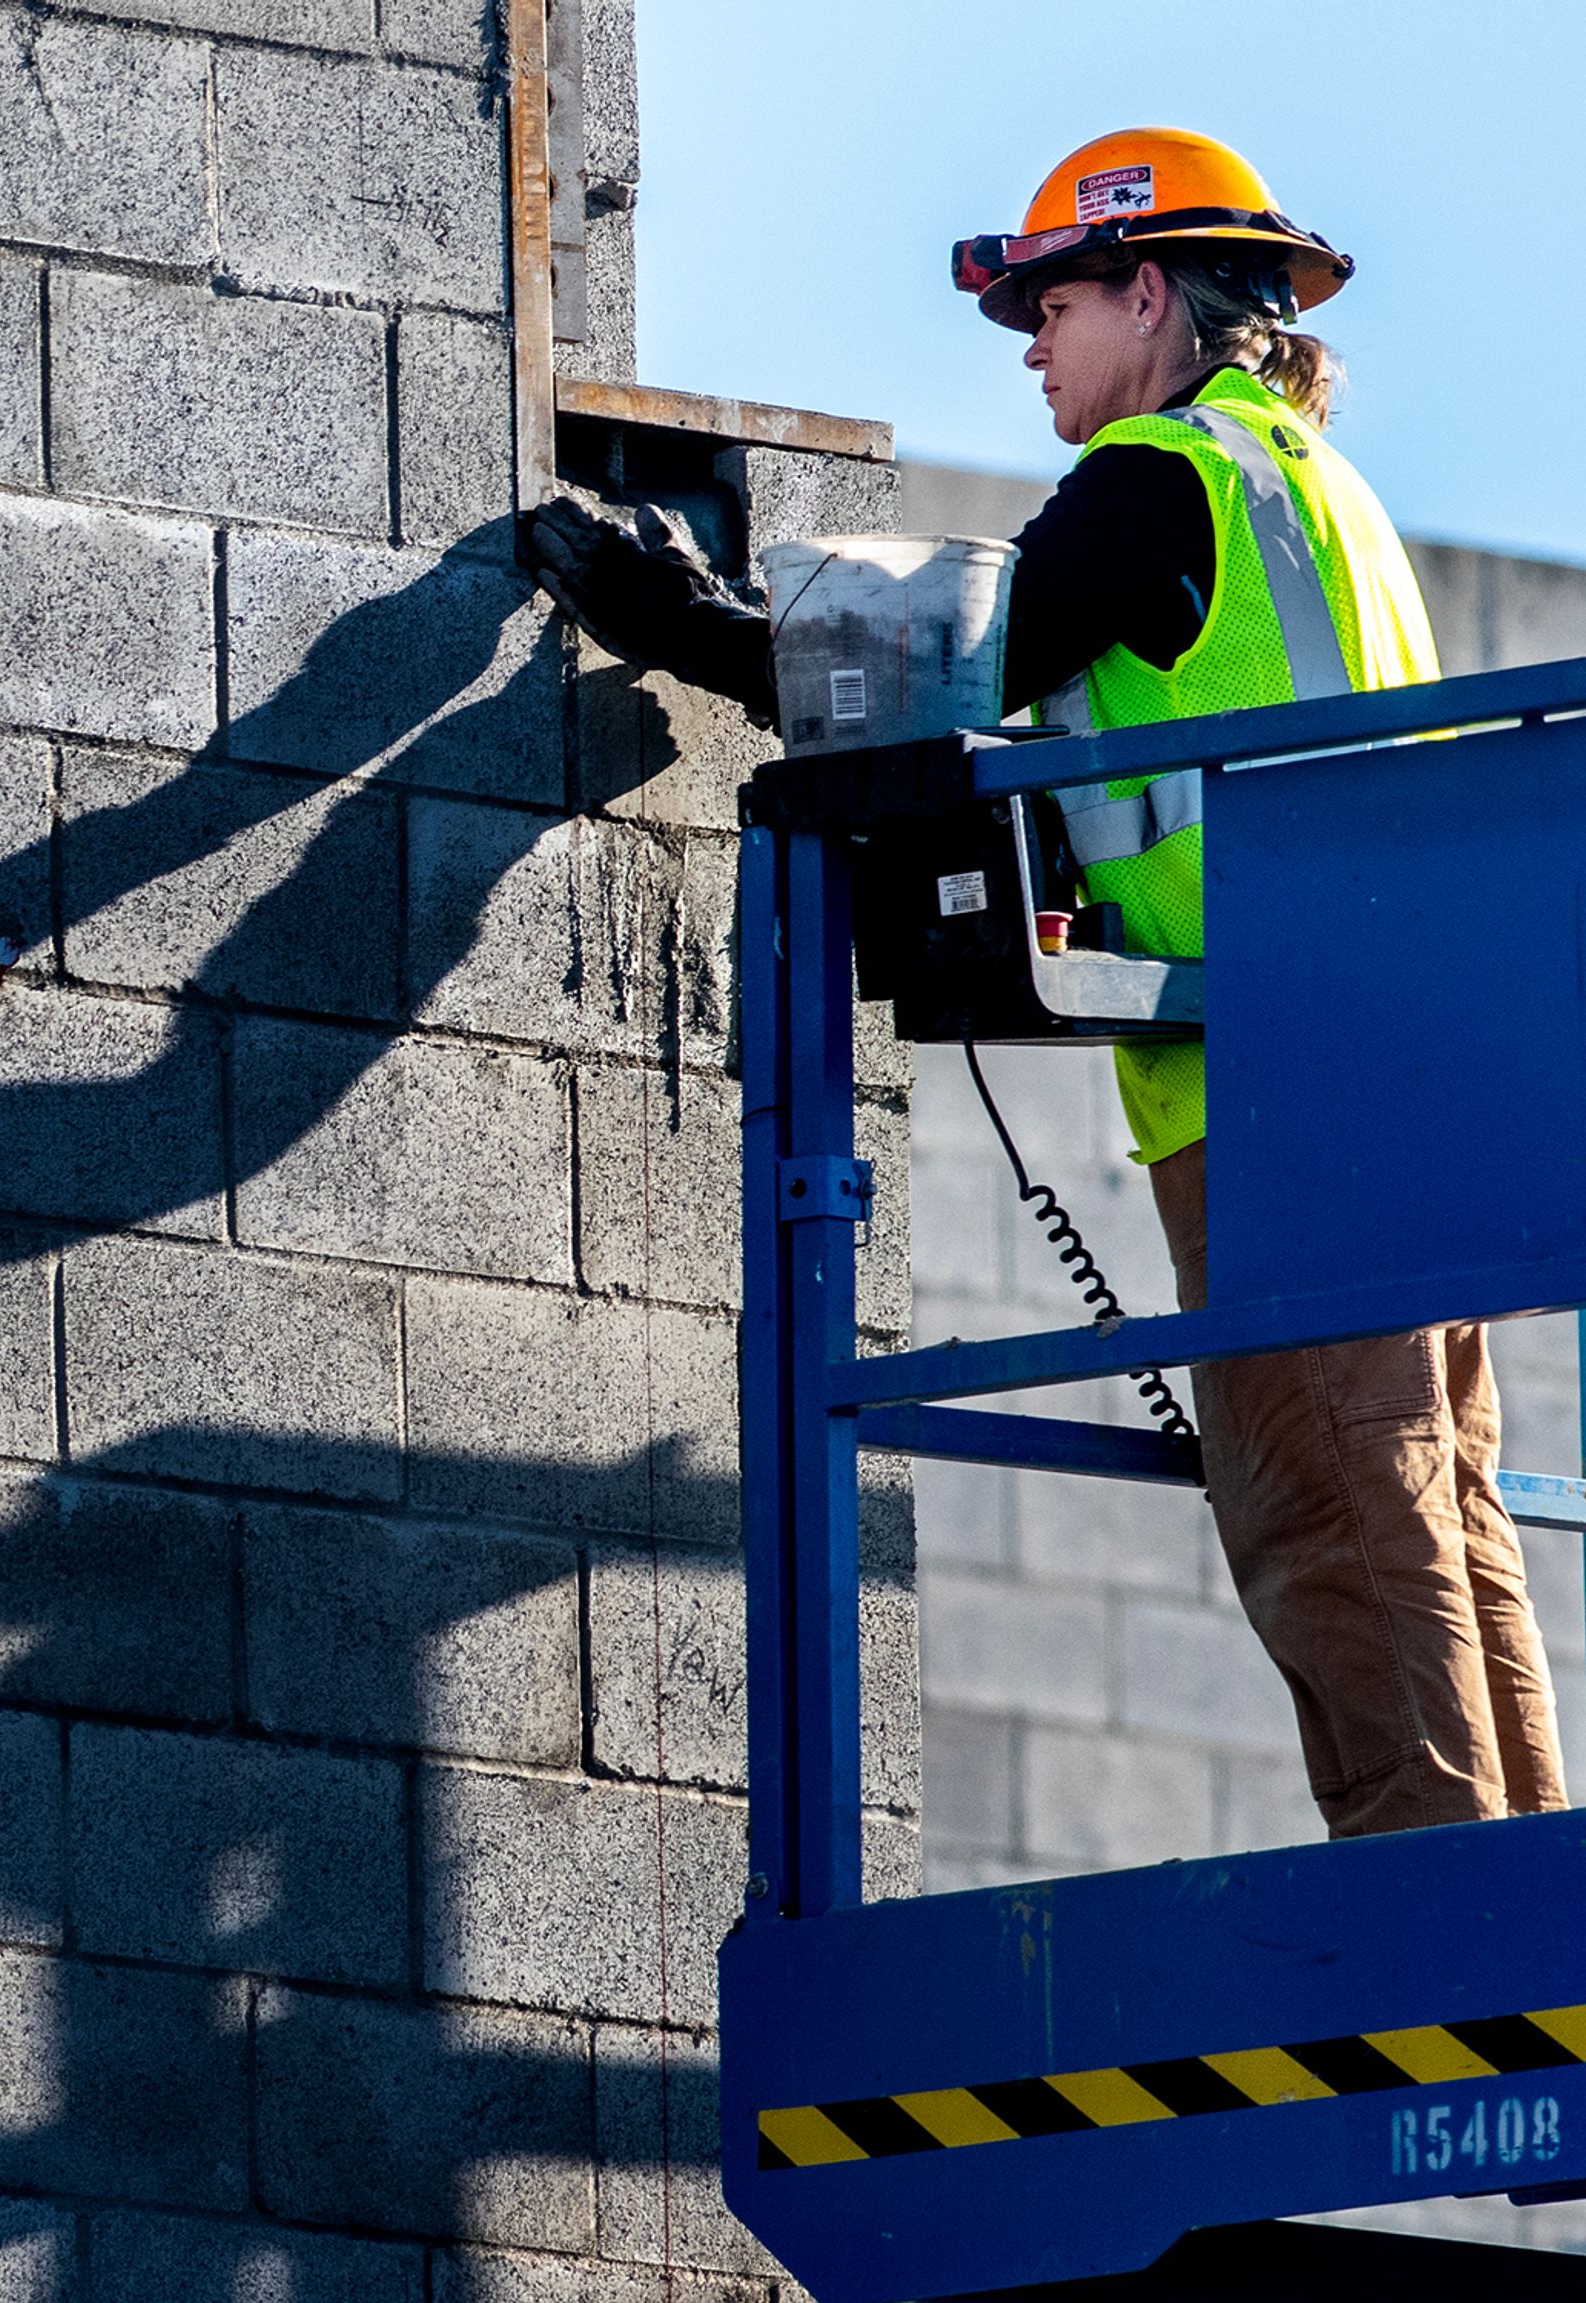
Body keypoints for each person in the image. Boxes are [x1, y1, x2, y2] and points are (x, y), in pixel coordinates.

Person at [532, 129, 1565, 1839]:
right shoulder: (1319, 488)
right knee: (1443, 1514)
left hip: (1283, 1094)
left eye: (1053, 303)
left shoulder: (1167, 475)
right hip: (1409, 1076)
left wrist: (684, 617)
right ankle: (1529, 1906)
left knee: (1335, 1527)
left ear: (1150, 293)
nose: (1029, 347)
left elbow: (944, 675)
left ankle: (1440, 1928)